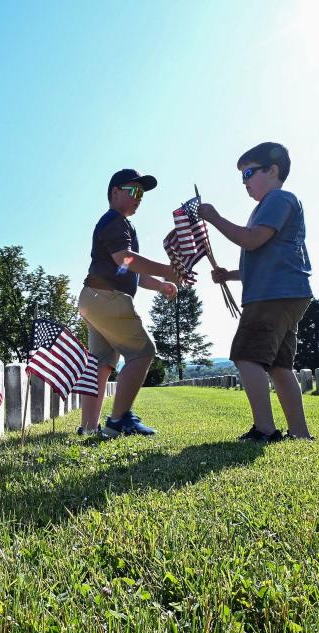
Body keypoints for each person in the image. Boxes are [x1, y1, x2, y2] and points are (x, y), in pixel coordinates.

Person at [197, 142, 314, 441]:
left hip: (271, 295)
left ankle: (264, 429)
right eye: (242, 177)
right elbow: (264, 257)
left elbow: (251, 240)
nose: (244, 182)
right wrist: (231, 275)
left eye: (248, 173)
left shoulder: (278, 199)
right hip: (287, 292)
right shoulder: (269, 206)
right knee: (279, 365)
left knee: (246, 355)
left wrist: (215, 218)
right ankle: (300, 433)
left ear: (272, 170)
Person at [78, 169, 179, 438]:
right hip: (108, 298)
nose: (139, 197)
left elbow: (129, 269)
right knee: (142, 352)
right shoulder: (114, 220)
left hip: (93, 299)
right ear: (115, 192)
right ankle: (118, 421)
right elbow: (125, 258)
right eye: (133, 191)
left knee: (101, 363)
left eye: (142, 193)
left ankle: (89, 427)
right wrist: (169, 271)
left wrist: (159, 283)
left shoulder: (120, 223)